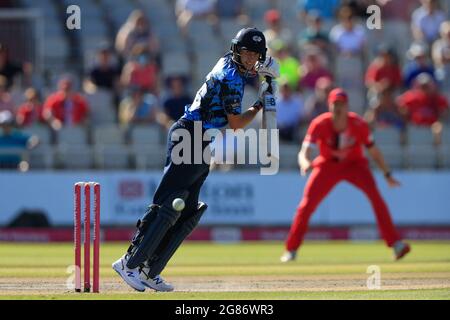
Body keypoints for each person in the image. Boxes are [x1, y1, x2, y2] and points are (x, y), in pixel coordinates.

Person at [112, 28, 279, 292]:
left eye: (255, 55)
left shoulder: (227, 60)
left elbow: (245, 76)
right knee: (167, 202)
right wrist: (259, 104)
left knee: (187, 209)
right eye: (246, 53)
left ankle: (149, 269)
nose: (250, 60)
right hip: (189, 134)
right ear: (237, 51)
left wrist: (263, 73)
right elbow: (236, 124)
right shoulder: (231, 77)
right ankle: (129, 263)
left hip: (201, 138)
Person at [280, 88, 411, 263]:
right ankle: (291, 250)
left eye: (341, 104)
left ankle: (396, 244)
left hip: (355, 165)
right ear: (329, 105)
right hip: (327, 165)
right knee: (306, 206)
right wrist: (304, 162)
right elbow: (305, 151)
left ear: (347, 106)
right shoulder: (320, 123)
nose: (338, 108)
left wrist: (387, 173)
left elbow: (373, 151)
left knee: (377, 199)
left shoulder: (358, 124)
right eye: (335, 104)